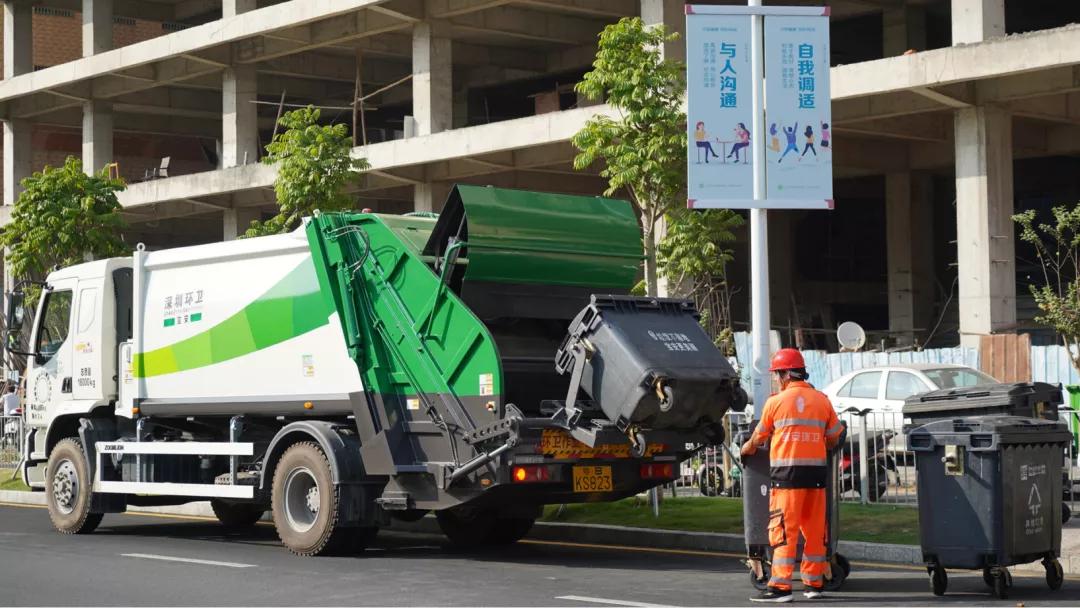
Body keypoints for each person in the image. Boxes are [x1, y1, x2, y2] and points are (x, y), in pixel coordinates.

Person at [742, 348, 844, 603]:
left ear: (786, 374)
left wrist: (747, 448)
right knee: (815, 531)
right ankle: (813, 584)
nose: (776, 379)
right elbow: (834, 437)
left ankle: (780, 586)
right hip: (816, 478)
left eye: (777, 374)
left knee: (784, 532)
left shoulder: (775, 402)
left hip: (786, 479)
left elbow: (759, 436)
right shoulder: (822, 400)